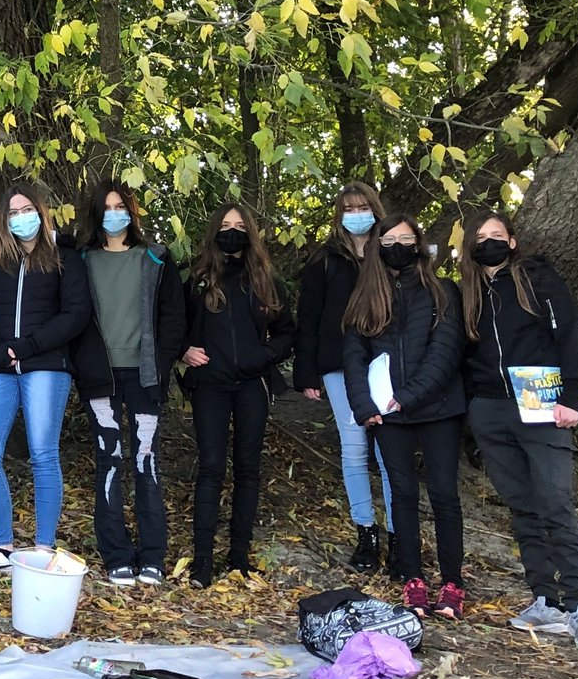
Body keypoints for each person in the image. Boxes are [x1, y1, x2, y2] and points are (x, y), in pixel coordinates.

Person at [460, 211, 578, 647]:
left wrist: (570, 397)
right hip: (490, 410)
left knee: (555, 501)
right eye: (481, 237)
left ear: (513, 242)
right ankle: (545, 599)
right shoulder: (467, 292)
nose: (489, 243)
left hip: (543, 407)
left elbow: (572, 337)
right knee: (522, 506)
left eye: (497, 235)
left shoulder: (538, 280)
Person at [0, 183, 92, 578]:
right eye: (13, 212)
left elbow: (75, 314)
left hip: (46, 365)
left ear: (42, 211)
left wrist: (29, 346)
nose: (20, 218)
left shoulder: (66, 258)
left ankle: (43, 550)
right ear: (3, 220)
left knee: (43, 454)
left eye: (27, 209)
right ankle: (1, 547)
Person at [342, 214, 467, 617]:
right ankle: (412, 579)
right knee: (403, 494)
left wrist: (408, 396)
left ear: (419, 243)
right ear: (377, 246)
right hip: (386, 415)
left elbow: (445, 352)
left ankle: (452, 583)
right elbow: (354, 354)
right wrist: (363, 406)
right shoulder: (365, 296)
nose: (398, 245)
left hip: (438, 410)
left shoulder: (442, 291)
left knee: (445, 495)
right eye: (389, 239)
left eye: (406, 238)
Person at [72, 179, 186, 587]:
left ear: (132, 211)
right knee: (109, 460)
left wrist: (162, 361)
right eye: (107, 207)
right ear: (96, 213)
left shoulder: (155, 257)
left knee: (145, 460)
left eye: (121, 206)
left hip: (145, 375)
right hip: (99, 377)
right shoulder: (81, 259)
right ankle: (117, 555)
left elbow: (174, 317)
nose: (114, 213)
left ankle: (152, 555)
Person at [181, 203, 295, 588]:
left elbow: (287, 332)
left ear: (251, 232)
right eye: (226, 225)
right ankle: (202, 562)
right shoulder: (196, 279)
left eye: (240, 226)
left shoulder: (265, 280)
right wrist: (184, 349)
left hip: (252, 385)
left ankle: (238, 558)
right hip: (209, 384)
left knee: (248, 469)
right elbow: (173, 323)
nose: (232, 232)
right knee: (211, 467)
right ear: (215, 231)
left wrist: (263, 356)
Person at [295, 180, 396, 572]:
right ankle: (366, 534)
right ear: (339, 215)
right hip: (337, 364)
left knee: (389, 450)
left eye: (363, 207)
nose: (357, 215)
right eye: (349, 209)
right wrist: (307, 372)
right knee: (354, 449)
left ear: (375, 209)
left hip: (386, 364)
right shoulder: (324, 259)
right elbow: (310, 317)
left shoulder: (391, 252)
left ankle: (399, 533)